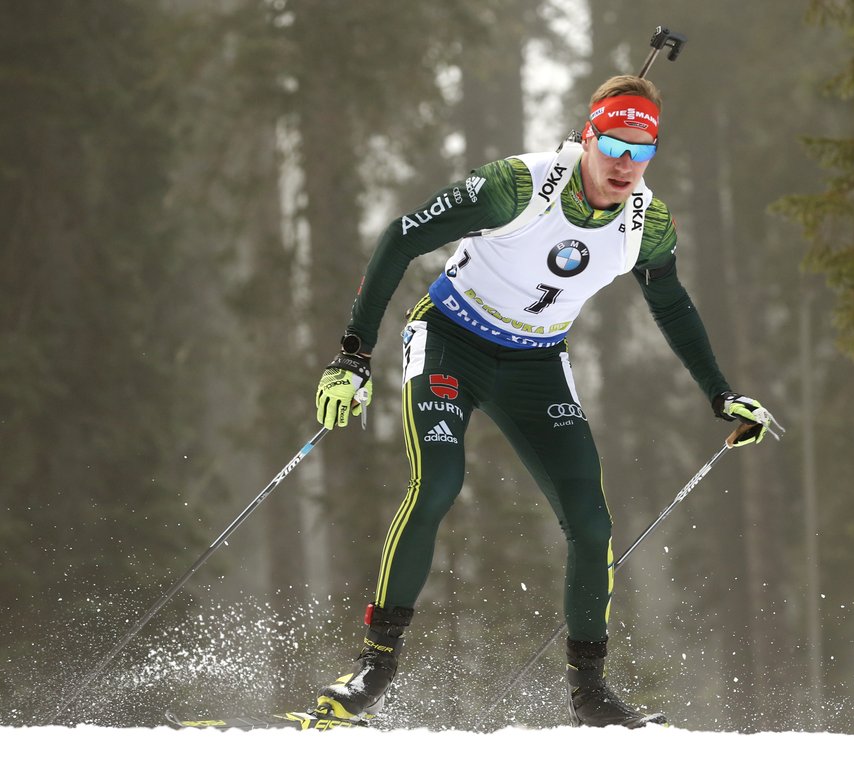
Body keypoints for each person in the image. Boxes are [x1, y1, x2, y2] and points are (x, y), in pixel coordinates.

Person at [312, 74, 777, 728]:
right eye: (613, 144)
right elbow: (400, 237)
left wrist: (720, 393)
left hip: (536, 362)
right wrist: (353, 355)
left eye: (641, 150)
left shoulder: (648, 222)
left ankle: (590, 693)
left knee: (591, 524)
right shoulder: (519, 186)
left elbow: (669, 302)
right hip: (450, 338)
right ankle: (373, 668)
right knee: (439, 482)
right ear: (587, 136)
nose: (625, 164)